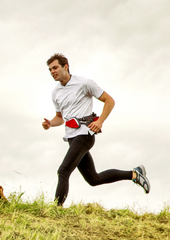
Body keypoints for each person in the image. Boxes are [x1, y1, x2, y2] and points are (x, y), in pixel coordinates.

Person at [42, 53, 150, 206]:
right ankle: (134, 174)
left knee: (63, 171)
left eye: (55, 68)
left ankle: (55, 209)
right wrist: (50, 124)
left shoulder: (84, 83)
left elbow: (109, 100)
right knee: (94, 179)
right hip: (72, 136)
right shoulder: (56, 92)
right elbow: (59, 117)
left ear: (65, 67)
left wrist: (100, 121)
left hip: (85, 134)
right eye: (50, 70)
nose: (52, 71)